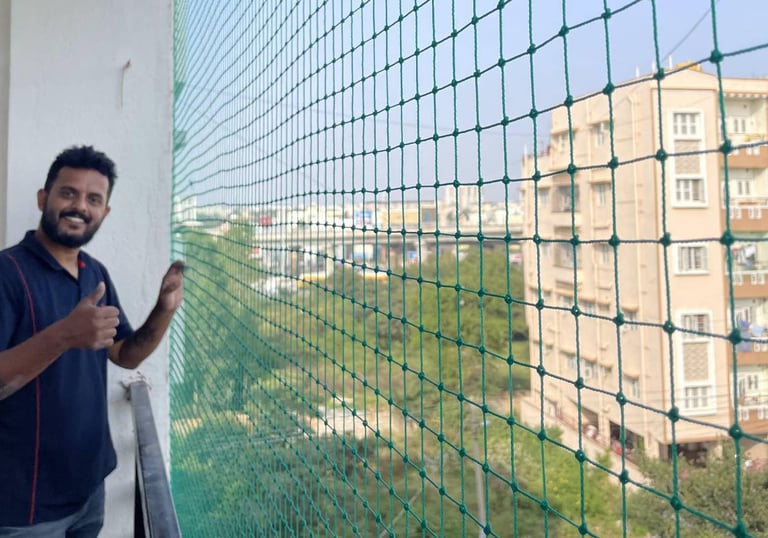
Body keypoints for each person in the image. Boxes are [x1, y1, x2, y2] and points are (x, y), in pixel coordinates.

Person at [0, 145, 184, 537]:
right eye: (68, 193)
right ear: (43, 198)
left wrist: (164, 309)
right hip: (24, 508)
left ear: (105, 212)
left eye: (93, 199)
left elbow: (125, 354)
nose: (79, 206)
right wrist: (65, 334)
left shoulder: (94, 272)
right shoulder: (7, 272)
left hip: (88, 490)